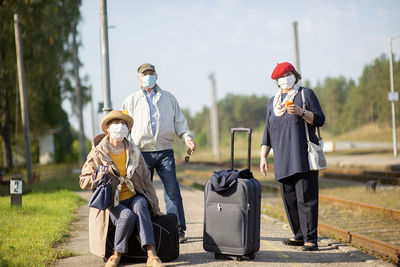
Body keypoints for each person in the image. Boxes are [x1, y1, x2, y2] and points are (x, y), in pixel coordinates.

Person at [79, 110, 165, 267]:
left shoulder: (134, 150)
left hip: (134, 195)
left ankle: (152, 255)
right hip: (112, 202)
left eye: (124, 124)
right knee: (126, 216)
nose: (120, 126)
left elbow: (146, 181)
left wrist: (156, 207)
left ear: (128, 129)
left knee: (141, 205)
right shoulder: (98, 152)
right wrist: (100, 176)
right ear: (107, 128)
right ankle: (116, 254)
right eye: (116, 123)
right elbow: (83, 181)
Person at [121, 63, 196, 243]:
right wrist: (123, 148)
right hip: (141, 152)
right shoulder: (130, 100)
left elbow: (179, 121)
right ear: (138, 78)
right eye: (144, 74)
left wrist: (187, 138)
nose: (148, 76)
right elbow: (124, 127)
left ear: (156, 75)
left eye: (151, 73)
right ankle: (144, 229)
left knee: (172, 191)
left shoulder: (169, 98)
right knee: (142, 193)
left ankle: (177, 230)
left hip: (165, 152)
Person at [260, 62, 325, 251]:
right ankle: (298, 235)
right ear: (276, 81)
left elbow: (320, 119)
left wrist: (302, 112)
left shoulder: (305, 94)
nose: (285, 78)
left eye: (288, 74)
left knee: (306, 198)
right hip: (282, 159)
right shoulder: (272, 102)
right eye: (281, 77)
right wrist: (264, 156)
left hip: (302, 156)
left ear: (295, 75)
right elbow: (267, 132)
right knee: (289, 200)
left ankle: (311, 239)